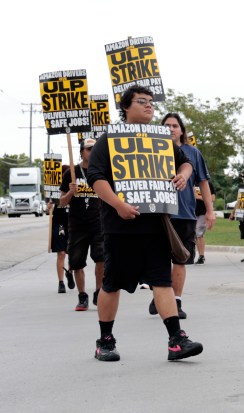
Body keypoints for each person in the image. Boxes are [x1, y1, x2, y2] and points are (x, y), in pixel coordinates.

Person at [87, 85, 203, 362]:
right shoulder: (110, 138)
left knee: (162, 282)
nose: (150, 106)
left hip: (156, 225)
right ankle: (105, 341)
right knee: (112, 284)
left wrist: (184, 175)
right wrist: (118, 205)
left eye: (152, 102)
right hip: (120, 225)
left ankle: (177, 340)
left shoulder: (162, 139)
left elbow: (186, 163)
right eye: (142, 101)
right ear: (126, 107)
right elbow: (96, 177)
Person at [147, 113, 215, 319]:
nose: (170, 129)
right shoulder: (150, 150)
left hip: (184, 214)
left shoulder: (193, 153)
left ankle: (175, 301)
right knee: (157, 259)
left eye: (175, 125)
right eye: (166, 125)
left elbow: (203, 182)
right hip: (157, 212)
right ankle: (159, 294)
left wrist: (210, 211)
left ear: (182, 130)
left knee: (180, 260)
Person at [59, 138, 104, 310]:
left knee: (101, 259)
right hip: (77, 224)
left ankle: (98, 292)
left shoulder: (101, 171)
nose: (92, 152)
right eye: (88, 149)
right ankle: (82, 295)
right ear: (81, 152)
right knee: (77, 262)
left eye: (95, 149)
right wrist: (70, 192)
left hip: (98, 223)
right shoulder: (71, 173)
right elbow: (62, 203)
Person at [48, 172, 75, 294]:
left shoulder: (73, 188)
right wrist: (49, 206)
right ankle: (60, 282)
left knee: (72, 253)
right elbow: (50, 204)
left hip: (72, 223)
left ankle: (70, 272)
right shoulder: (54, 191)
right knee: (61, 253)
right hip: (59, 224)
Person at [195, 180, 216, 265]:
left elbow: (213, 198)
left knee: (199, 233)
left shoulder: (207, 183)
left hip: (203, 212)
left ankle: (201, 256)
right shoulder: (191, 183)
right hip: (192, 212)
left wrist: (199, 197)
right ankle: (193, 254)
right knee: (193, 234)